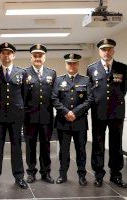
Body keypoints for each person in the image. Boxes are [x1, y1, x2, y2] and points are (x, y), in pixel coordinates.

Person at [87, 38, 127, 188]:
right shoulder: (92, 69)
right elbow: (90, 91)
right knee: (98, 143)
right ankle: (98, 174)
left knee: (116, 144)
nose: (106, 52)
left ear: (113, 51)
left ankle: (116, 175)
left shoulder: (123, 68)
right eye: (104, 49)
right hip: (99, 112)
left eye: (109, 49)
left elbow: (123, 89)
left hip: (116, 112)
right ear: (99, 51)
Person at [0, 42, 28, 190]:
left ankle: (19, 177)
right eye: (3, 53)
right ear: (0, 55)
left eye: (9, 53)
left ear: (14, 55)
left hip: (16, 117)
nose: (6, 55)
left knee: (16, 147)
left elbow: (24, 95)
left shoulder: (22, 73)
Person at [51, 53, 93, 186]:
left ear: (78, 64)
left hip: (79, 121)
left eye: (74, 63)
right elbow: (54, 99)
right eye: (69, 63)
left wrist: (74, 112)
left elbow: (89, 100)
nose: (72, 65)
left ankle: (82, 176)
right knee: (63, 151)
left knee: (81, 150)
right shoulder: (58, 80)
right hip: (63, 122)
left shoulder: (85, 80)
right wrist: (66, 112)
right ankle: (62, 175)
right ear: (66, 64)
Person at [24, 44, 56, 184]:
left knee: (46, 146)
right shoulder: (24, 73)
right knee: (30, 146)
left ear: (44, 57)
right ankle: (31, 173)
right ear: (31, 57)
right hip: (29, 117)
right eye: (35, 55)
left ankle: (46, 172)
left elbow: (55, 96)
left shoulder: (52, 73)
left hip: (46, 117)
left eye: (40, 55)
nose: (37, 58)